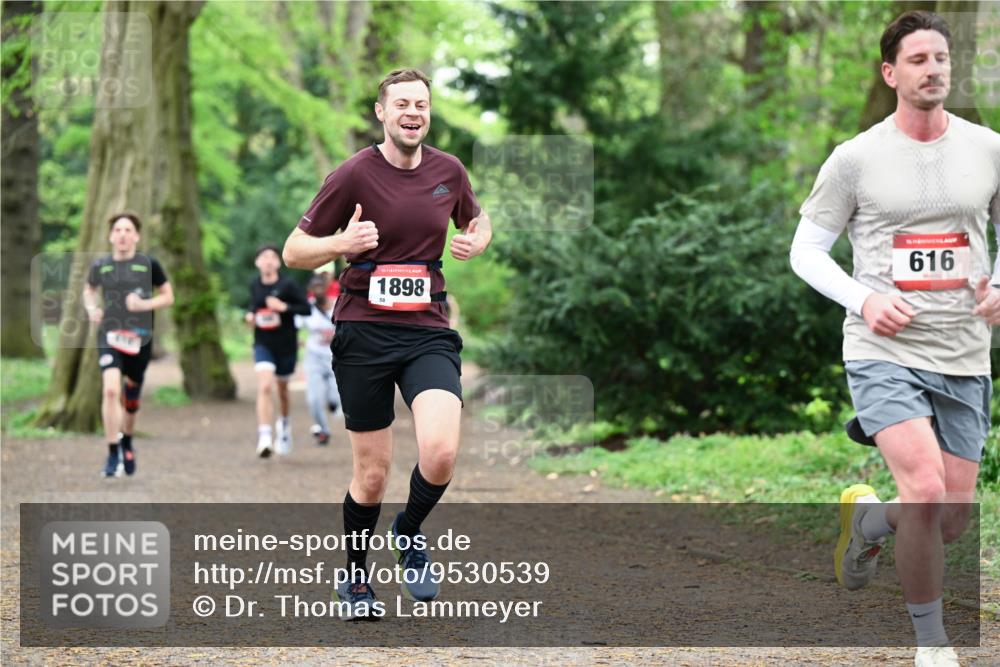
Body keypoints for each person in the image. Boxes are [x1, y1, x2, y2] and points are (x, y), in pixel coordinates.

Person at [790, 11, 1000, 666]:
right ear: (891, 72)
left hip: (964, 351)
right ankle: (931, 642)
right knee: (927, 489)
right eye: (918, 59)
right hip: (883, 349)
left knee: (952, 517)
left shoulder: (988, 148)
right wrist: (865, 297)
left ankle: (870, 521)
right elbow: (806, 252)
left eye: (941, 57)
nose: (933, 68)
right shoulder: (855, 159)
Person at [283, 68, 491, 620]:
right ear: (382, 112)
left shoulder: (449, 170)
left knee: (441, 452)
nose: (412, 112)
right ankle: (354, 579)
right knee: (372, 475)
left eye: (421, 104)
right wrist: (340, 243)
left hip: (427, 330)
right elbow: (293, 250)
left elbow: (478, 216)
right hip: (364, 332)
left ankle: (409, 528)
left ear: (428, 112)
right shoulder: (353, 174)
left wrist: (477, 238)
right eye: (401, 103)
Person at [83, 212, 174, 478]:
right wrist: (92, 309)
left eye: (128, 230)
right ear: (111, 237)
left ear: (136, 236)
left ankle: (127, 440)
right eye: (118, 230)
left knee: (130, 400)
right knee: (111, 391)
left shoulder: (149, 264)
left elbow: (168, 296)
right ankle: (112, 452)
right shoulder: (101, 265)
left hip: (139, 338)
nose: (122, 234)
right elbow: (89, 291)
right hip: (109, 335)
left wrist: (144, 304)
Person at [246, 244, 310, 458]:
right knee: (264, 386)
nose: (268, 261)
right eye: (263, 257)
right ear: (257, 262)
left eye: (273, 257)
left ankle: (284, 425)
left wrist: (285, 308)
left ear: (278, 262)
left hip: (286, 345)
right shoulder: (255, 285)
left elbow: (306, 308)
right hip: (263, 343)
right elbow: (254, 308)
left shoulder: (288, 285)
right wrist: (250, 316)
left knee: (282, 391)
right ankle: (265, 437)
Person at [296, 275, 341, 445]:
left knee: (336, 398)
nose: (318, 290)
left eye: (320, 286)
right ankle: (323, 430)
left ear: (327, 286)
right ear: (310, 290)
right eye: (314, 287)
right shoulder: (307, 308)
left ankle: (333, 404)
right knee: (313, 399)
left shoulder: (338, 304)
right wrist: (297, 341)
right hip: (313, 356)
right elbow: (295, 325)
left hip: (335, 357)